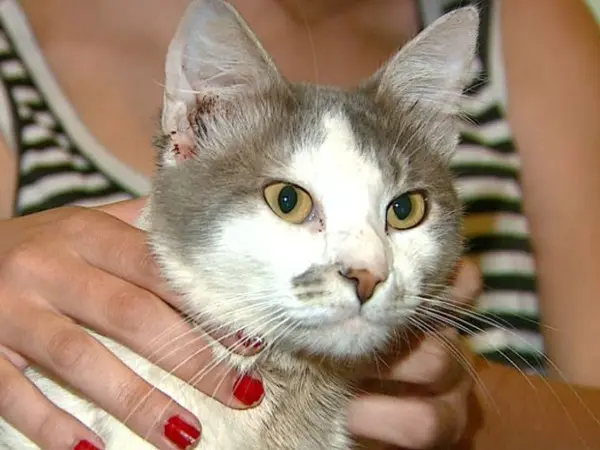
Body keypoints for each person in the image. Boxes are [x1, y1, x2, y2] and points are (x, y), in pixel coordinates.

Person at [0, 0, 599, 449]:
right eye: (290, 202)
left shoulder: (524, 23)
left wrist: (470, 409)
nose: (368, 269)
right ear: (192, 131)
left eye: (403, 211)